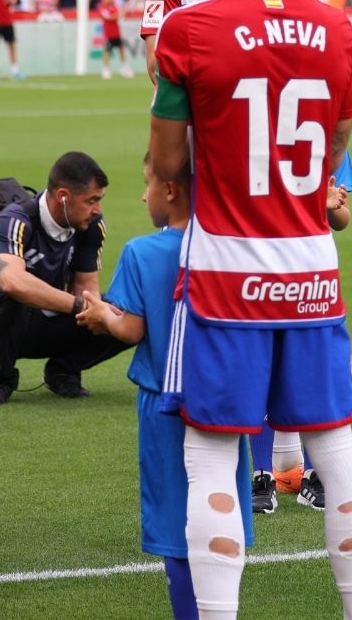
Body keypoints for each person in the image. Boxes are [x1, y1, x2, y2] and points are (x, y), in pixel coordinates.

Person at [150, 0, 352, 620]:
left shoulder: (191, 28)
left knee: (210, 450)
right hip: (310, 262)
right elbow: (340, 134)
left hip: (221, 269)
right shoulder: (336, 27)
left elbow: (170, 161)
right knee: (332, 447)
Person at [77, 158, 251, 620]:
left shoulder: (142, 252)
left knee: (178, 523)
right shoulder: (234, 245)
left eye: (147, 184)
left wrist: (101, 316)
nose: (143, 195)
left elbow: (131, 329)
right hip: (227, 400)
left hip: (165, 402)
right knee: (223, 510)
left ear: (170, 190)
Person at [0, 151, 127, 406]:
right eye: (91, 200)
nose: (97, 209)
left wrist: (100, 312)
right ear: (63, 196)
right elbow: (12, 282)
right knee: (10, 295)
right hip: (1, 326)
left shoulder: (91, 225)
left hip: (54, 319)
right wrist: (79, 306)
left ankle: (63, 370)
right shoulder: (14, 220)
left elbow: (87, 289)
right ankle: (1, 377)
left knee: (130, 310)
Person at [251, 152, 352, 516]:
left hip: (312, 276)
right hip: (262, 270)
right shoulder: (258, 139)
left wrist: (330, 205)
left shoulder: (330, 146)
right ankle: (261, 475)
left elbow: (341, 218)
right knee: (262, 371)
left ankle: (314, 478)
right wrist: (315, 199)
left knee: (309, 374)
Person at [98, 0, 134, 79]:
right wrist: (120, 13)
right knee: (107, 51)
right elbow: (109, 17)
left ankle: (125, 67)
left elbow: (120, 14)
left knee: (121, 50)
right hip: (108, 34)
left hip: (116, 33)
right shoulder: (102, 7)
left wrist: (124, 12)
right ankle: (105, 69)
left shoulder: (114, 6)